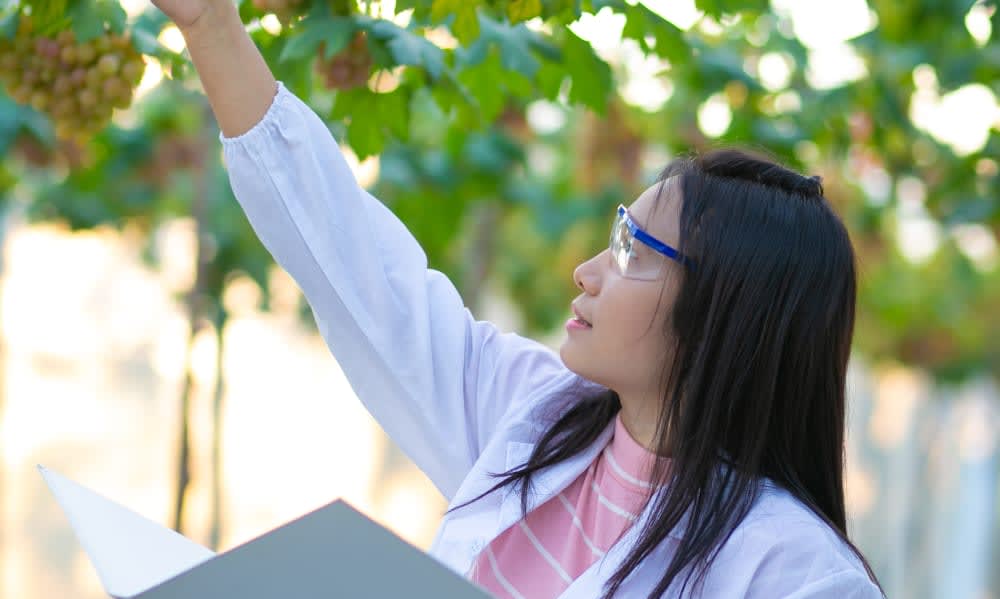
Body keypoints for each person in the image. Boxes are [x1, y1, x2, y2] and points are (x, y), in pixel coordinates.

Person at [150, 1, 885, 597]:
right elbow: (357, 266)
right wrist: (211, 24)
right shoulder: (531, 416)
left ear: (728, 313)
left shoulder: (797, 573)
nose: (588, 270)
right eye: (614, 232)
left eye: (633, 249)